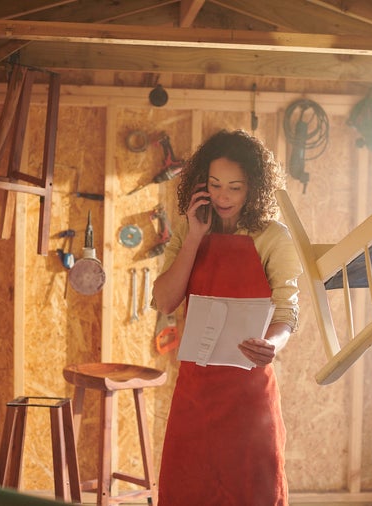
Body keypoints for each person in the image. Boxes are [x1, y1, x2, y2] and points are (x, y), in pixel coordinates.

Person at [152, 129, 302, 506]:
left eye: (234, 188)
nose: (222, 196)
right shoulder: (189, 227)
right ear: (201, 182)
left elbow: (287, 311)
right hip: (195, 394)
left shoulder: (273, 237)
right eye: (215, 184)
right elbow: (165, 301)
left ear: (254, 187)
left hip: (250, 398)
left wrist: (273, 343)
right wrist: (194, 238)